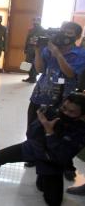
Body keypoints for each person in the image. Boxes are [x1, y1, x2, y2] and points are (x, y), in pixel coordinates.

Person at [0, 92, 85, 206]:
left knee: (53, 201)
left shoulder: (81, 131)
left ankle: (43, 176)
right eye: (64, 108)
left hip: (52, 161)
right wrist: (40, 121)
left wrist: (50, 132)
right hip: (33, 149)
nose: (65, 112)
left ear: (82, 115)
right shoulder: (52, 112)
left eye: (71, 112)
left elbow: (61, 156)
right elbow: (30, 135)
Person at [25, 22, 85, 178]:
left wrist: (58, 54)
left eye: (69, 33)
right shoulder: (48, 49)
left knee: (62, 131)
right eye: (63, 31)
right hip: (41, 94)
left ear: (77, 37)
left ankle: (66, 165)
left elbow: (71, 74)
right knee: (34, 126)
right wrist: (38, 51)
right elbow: (39, 70)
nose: (64, 35)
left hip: (64, 100)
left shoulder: (80, 53)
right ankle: (32, 155)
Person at [22, 17, 45, 83]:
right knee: (27, 63)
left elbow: (43, 41)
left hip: (37, 49)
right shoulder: (31, 30)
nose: (35, 22)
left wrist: (40, 50)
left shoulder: (43, 30)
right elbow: (27, 39)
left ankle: (34, 78)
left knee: (34, 64)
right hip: (29, 48)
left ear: (40, 22)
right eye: (34, 21)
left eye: (37, 21)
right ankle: (29, 76)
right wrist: (25, 48)